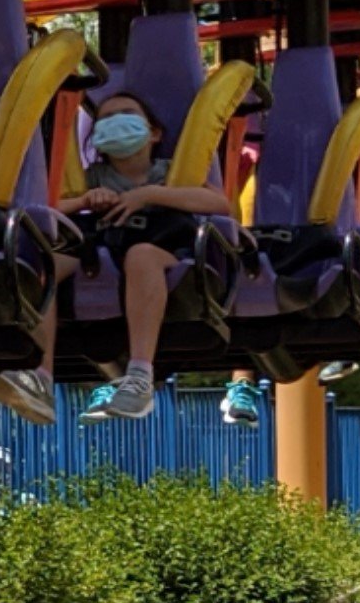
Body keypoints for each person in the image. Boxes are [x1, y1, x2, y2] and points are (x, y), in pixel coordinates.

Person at [66, 91, 234, 423]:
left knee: (141, 257)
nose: (116, 123)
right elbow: (48, 207)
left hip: (169, 251)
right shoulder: (95, 177)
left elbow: (219, 204)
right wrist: (85, 199)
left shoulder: (172, 172)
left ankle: (140, 373)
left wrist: (149, 195)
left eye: (127, 114)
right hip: (106, 250)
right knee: (55, 256)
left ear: (154, 132)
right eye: (106, 120)